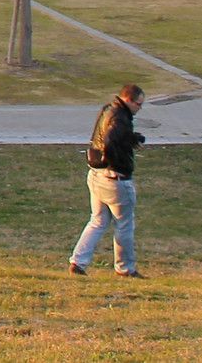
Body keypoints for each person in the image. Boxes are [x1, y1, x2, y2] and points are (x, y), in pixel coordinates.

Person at [70, 82, 147, 278]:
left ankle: (78, 262)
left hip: (95, 176)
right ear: (128, 100)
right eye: (139, 104)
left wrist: (131, 138)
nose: (140, 108)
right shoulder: (121, 118)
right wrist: (114, 162)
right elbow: (111, 140)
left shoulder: (108, 110)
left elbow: (107, 135)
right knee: (124, 224)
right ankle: (125, 268)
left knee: (97, 221)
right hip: (115, 181)